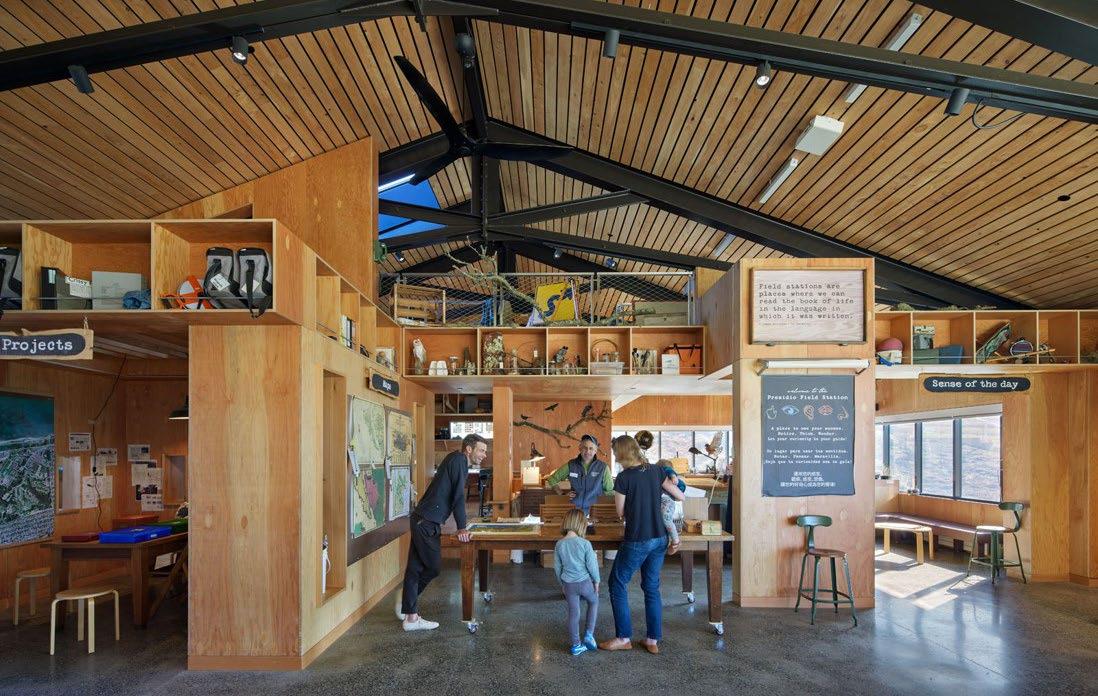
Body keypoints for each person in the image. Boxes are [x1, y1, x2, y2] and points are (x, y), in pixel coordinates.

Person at [600, 435, 685, 654]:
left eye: (615, 452)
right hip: (660, 538)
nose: (615, 456)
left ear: (621, 453)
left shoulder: (623, 478)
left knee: (617, 583)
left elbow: (620, 512)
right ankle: (652, 640)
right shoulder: (656, 471)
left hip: (638, 538)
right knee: (651, 587)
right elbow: (680, 496)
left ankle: (623, 638)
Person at [397, 433, 488, 631]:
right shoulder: (459, 460)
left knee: (415, 568)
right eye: (481, 450)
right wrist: (462, 527)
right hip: (426, 522)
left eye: (485, 451)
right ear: (469, 449)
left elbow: (454, 495)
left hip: (422, 519)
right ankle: (407, 605)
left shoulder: (456, 459)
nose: (484, 455)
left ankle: (410, 614)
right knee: (433, 567)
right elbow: (458, 497)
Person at [553, 509, 600, 656]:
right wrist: (597, 581)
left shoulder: (559, 544)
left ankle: (576, 645)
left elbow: (557, 567)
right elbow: (592, 565)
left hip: (569, 585)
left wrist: (562, 584)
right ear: (582, 524)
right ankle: (589, 634)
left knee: (574, 614)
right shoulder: (585, 543)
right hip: (585, 582)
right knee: (593, 602)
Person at [545, 435, 613, 515]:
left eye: (591, 448)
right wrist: (563, 495)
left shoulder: (603, 467)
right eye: (585, 448)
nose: (587, 451)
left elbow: (610, 491)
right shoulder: (571, 465)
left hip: (595, 512)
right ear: (580, 448)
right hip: (574, 511)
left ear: (596, 450)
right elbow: (552, 479)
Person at [658, 460, 687, 554]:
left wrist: (674, 478)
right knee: (664, 520)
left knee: (666, 519)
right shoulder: (659, 478)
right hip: (661, 501)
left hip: (667, 501)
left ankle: (675, 540)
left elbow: (668, 470)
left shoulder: (667, 474)